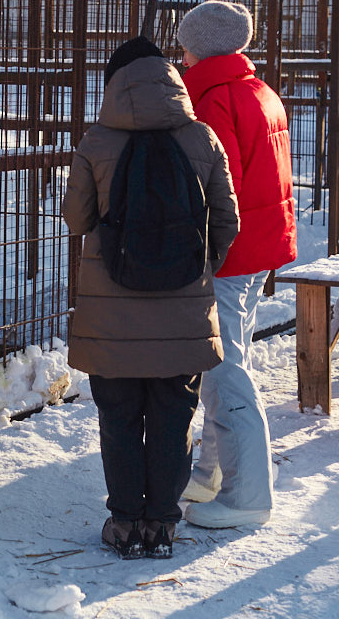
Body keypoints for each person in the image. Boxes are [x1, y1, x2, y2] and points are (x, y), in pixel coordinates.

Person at [62, 36, 240, 560]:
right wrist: (196, 271)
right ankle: (162, 525)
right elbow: (228, 222)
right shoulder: (202, 138)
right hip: (182, 312)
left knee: (118, 417)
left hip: (109, 315)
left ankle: (124, 524)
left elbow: (77, 219)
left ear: (115, 84)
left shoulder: (97, 141)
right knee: (172, 414)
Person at [174, 0, 298, 530]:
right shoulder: (258, 90)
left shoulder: (214, 97)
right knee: (224, 361)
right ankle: (211, 475)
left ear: (199, 46)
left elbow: (219, 191)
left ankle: (249, 495)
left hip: (228, 254)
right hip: (255, 249)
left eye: (184, 44)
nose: (179, 54)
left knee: (227, 371)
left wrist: (196, 251)